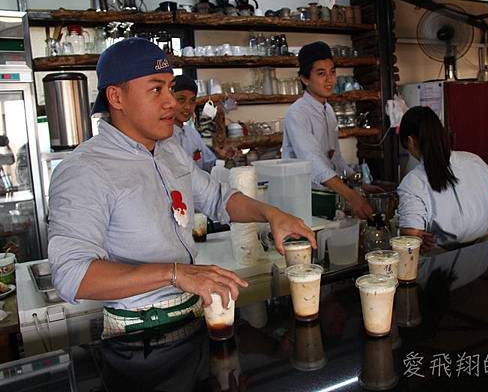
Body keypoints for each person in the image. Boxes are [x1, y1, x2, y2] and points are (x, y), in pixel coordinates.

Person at [48, 38, 315, 337]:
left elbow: (218, 199)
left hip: (193, 313)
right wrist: (174, 273)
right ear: (116, 97)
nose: (172, 103)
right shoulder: (84, 170)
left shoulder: (169, 149)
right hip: (138, 332)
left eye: (169, 88)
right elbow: (73, 275)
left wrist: (271, 214)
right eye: (155, 89)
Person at [281, 41, 374, 220]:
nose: (330, 79)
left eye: (332, 72)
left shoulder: (328, 110)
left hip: (325, 196)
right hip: (302, 198)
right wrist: (352, 196)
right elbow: (313, 163)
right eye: (321, 73)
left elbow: (335, 158)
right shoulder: (297, 113)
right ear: (305, 79)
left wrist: (358, 183)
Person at [396, 106, 488, 250]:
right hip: (485, 260)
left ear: (410, 141)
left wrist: (411, 235)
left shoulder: (413, 182)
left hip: (441, 267)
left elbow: (411, 239)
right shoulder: (476, 161)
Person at [172, 74, 233, 172]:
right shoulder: (161, 138)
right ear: (168, 100)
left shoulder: (191, 134)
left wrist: (223, 157)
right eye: (181, 99)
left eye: (192, 101)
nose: (188, 106)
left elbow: (208, 165)